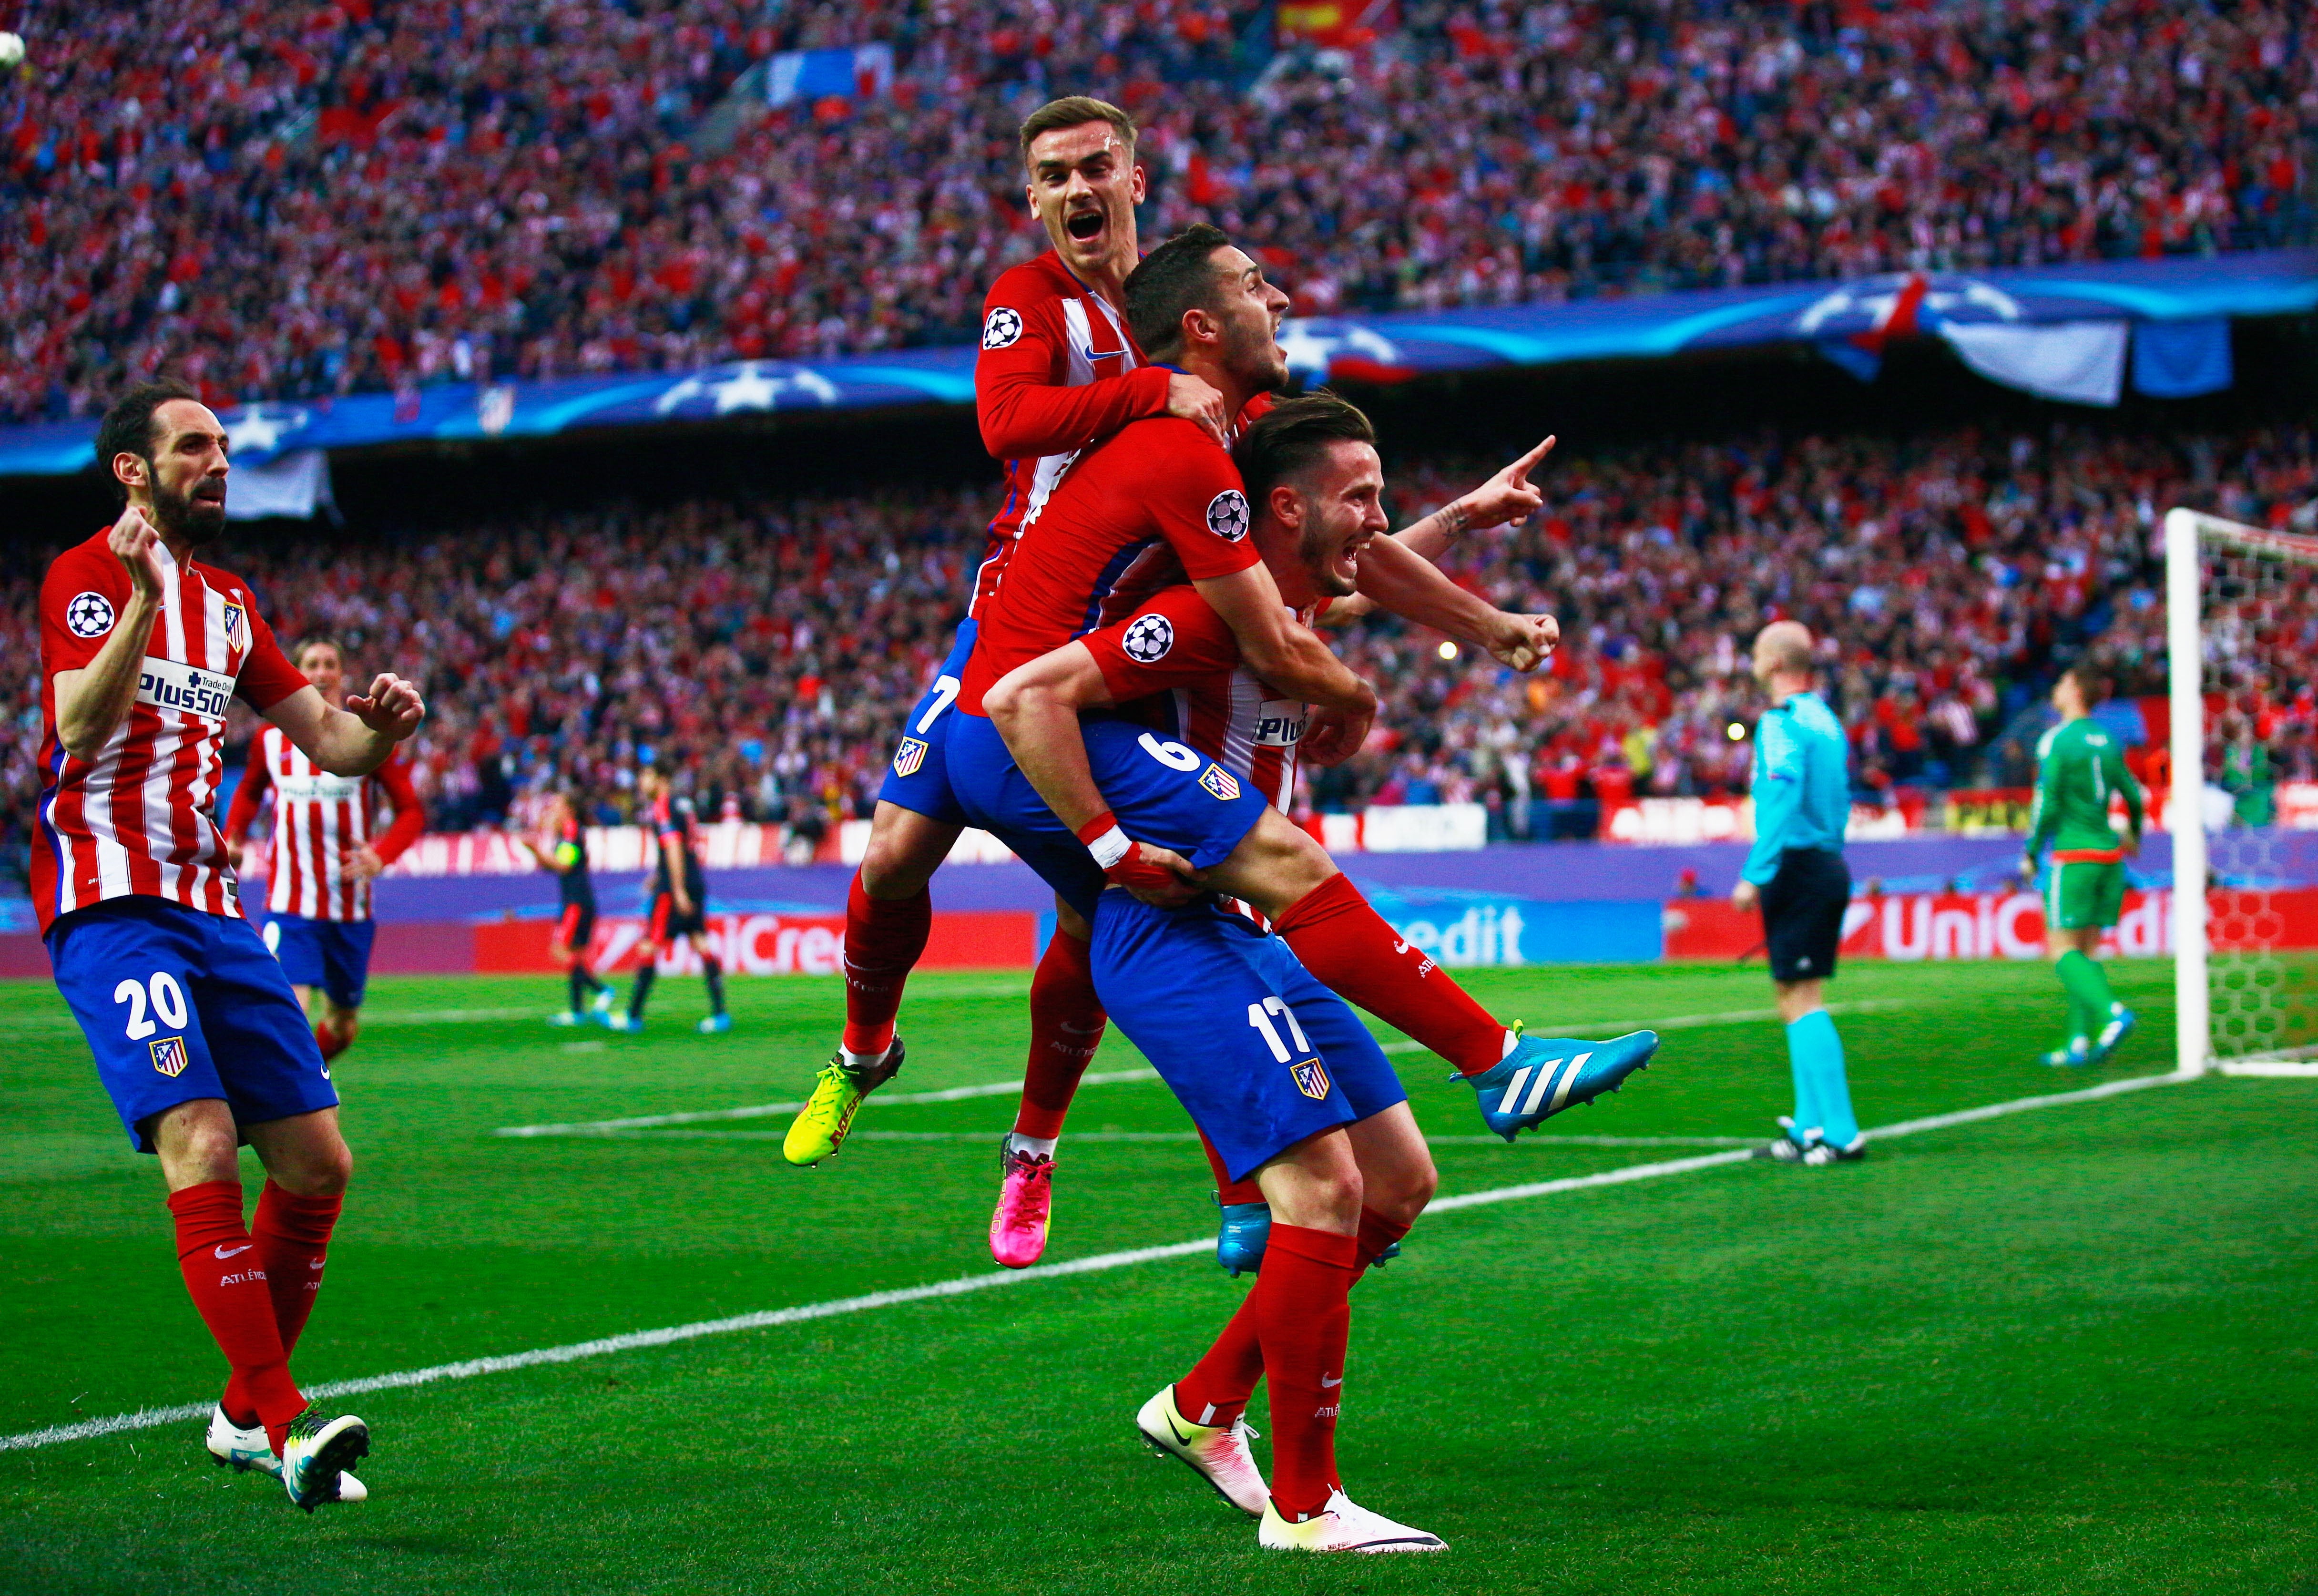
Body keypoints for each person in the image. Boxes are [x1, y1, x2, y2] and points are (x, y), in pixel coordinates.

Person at [977, 392, 1654, 1551]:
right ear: (1278, 509)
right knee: (1322, 1195)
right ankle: (1302, 1506)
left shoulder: (1287, 599)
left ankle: (1200, 1409)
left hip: (1255, 926)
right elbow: (1024, 694)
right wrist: (1107, 848)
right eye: (1358, 500)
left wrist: (1456, 522)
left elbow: (1354, 575)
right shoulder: (1200, 615)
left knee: (1394, 1186)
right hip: (1175, 927)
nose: (1376, 524)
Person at [784, 94, 1232, 1167]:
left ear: (1135, 177)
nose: (1077, 188)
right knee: (892, 853)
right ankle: (861, 1052)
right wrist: (1148, 394)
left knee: (1095, 903)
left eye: (1095, 166)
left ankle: (1031, 1150)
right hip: (1008, 620)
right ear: (1032, 199)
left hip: (1131, 643)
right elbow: (1005, 421)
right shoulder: (1030, 298)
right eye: (1053, 175)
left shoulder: (1187, 302)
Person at [36, 379, 423, 1508]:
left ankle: (240, 1414)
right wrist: (148, 601)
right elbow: (73, 725)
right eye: (194, 445)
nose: (219, 460)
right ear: (133, 469)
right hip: (110, 903)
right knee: (199, 1135)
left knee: (317, 1164)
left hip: (212, 908)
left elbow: (329, 740)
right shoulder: (85, 577)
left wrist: (381, 729)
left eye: (223, 446)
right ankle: (287, 1418)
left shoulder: (237, 603)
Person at [222, 635, 425, 1064]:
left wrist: (381, 856)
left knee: (342, 1026)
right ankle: (288, 1100)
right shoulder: (270, 741)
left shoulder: (370, 739)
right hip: (290, 902)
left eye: (329, 663)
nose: (321, 672)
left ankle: (302, 1082)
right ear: (298, 673)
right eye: (311, 664)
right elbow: (249, 791)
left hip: (349, 907)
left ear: (341, 672)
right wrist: (234, 835)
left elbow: (410, 811)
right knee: (289, 1011)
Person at [1732, 620, 1864, 1166]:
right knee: (1792, 996)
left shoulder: (1781, 722)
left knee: (1803, 998)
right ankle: (1810, 1125)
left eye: (1759, 653)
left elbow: (1783, 794)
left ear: (1774, 664)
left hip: (1798, 868)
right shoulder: (1826, 720)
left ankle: (1842, 1131)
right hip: (1825, 861)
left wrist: (1757, 872)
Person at [2020, 666, 2143, 1066]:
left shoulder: (2057, 740)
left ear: (2074, 690)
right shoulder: (2108, 739)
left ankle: (2112, 1013)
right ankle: (2076, 1042)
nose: (2054, 689)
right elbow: (2132, 795)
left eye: (2060, 682)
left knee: (2060, 950)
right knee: (2086, 952)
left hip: (2074, 856)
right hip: (2109, 857)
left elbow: (2047, 800)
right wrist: (2135, 837)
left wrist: (2031, 850)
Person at [608, 768, 728, 1034]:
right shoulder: (683, 804)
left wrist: (676, 888)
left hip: (675, 888)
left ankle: (632, 1016)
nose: (641, 782)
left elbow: (673, 847)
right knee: (700, 941)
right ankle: (720, 1015)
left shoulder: (662, 807)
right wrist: (658, 873)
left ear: (661, 779)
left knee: (650, 946)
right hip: (695, 878)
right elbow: (684, 846)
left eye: (646, 777)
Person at [519, 790, 612, 1026]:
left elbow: (564, 864)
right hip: (576, 899)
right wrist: (537, 851)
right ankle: (577, 1012)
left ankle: (602, 990)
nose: (552, 809)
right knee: (576, 955)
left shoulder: (571, 831)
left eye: (557, 805)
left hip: (577, 902)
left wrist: (535, 850)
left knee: (560, 950)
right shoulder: (565, 833)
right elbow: (552, 865)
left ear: (569, 809)